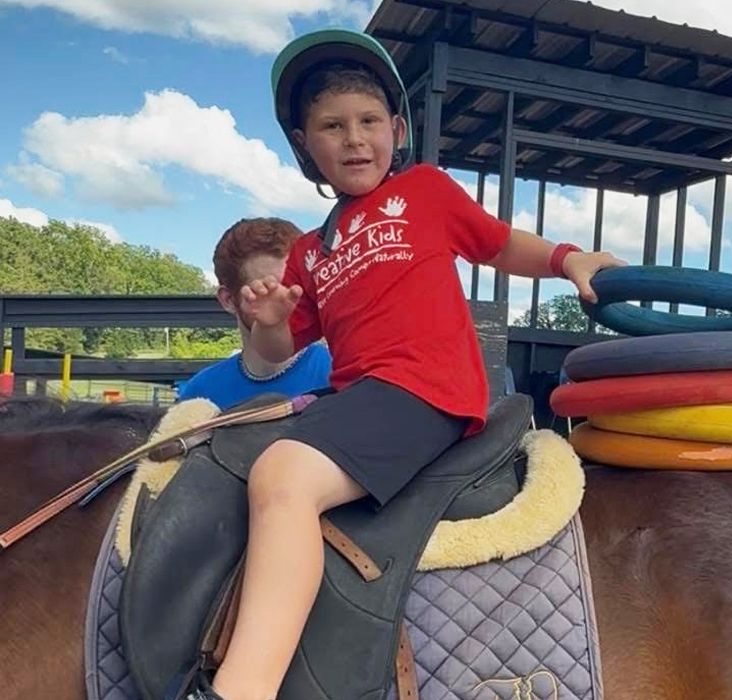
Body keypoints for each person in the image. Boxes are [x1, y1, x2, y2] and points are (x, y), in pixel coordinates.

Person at [188, 29, 626, 700]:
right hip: (360, 399)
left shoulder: (423, 190)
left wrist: (569, 259)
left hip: (424, 389)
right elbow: (281, 351)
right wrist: (270, 322)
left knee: (284, 476)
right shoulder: (309, 251)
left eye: (368, 121)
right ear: (306, 145)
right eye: (332, 126)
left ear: (396, 130)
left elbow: (497, 244)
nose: (354, 139)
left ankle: (243, 687)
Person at [176, 218, 332, 410]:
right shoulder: (198, 397)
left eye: (297, 284)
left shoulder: (341, 375)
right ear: (228, 300)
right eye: (267, 290)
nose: (288, 299)